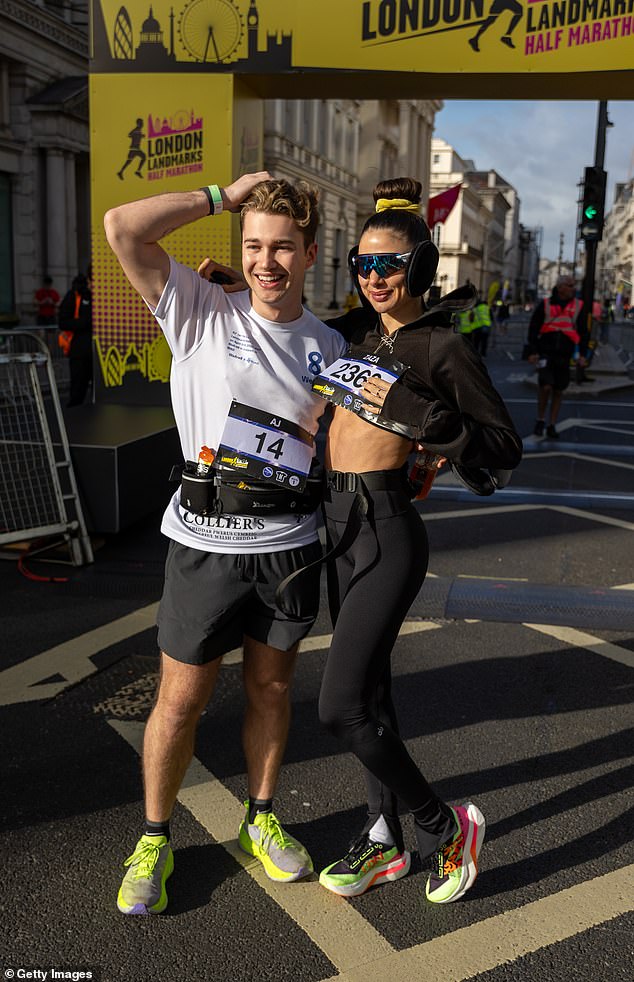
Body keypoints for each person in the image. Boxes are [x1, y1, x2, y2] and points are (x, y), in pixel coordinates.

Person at [104, 174, 347, 915]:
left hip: (289, 547)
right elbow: (122, 226)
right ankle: (153, 838)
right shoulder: (202, 311)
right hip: (205, 544)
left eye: (281, 247)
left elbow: (336, 447)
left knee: (272, 689)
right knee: (180, 701)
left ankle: (261, 817)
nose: (266, 261)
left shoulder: (330, 344)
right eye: (253, 246)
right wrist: (223, 194)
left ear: (310, 253)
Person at [312, 178, 522, 904]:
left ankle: (443, 826)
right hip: (335, 528)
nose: (374, 278)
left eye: (390, 265)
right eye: (362, 265)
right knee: (370, 695)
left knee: (337, 706)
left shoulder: (441, 348)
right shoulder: (358, 334)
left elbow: (502, 446)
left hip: (387, 530)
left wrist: (423, 422)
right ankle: (383, 839)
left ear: (422, 267)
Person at [525, 275, 588, 439]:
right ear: (560, 287)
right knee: (545, 386)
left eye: (574, 285)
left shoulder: (579, 306)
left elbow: (583, 332)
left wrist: (582, 354)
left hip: (565, 355)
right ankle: (540, 419)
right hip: (546, 353)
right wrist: (532, 351)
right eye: (570, 285)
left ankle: (552, 424)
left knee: (559, 390)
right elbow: (534, 328)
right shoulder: (545, 304)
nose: (573, 288)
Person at [58, 267, 93, 407]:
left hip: (102, 353)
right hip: (80, 352)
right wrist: (85, 321)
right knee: (78, 391)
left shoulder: (105, 295)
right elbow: (63, 322)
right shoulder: (75, 294)